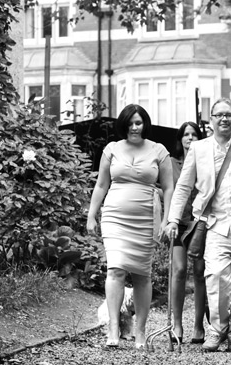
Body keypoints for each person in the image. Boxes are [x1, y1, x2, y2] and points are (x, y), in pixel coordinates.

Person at [162, 98, 231, 354]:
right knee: (217, 279)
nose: (224, 119)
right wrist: (173, 219)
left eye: (229, 115)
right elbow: (183, 188)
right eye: (219, 115)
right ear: (211, 120)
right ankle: (216, 331)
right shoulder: (198, 149)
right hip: (214, 227)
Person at [86, 104, 174, 349]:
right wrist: (92, 215)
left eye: (139, 122)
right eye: (130, 123)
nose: (135, 127)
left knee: (142, 275)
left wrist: (167, 219)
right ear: (123, 125)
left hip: (146, 219)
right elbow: (101, 185)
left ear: (145, 123)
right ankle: (113, 330)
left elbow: (169, 187)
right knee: (115, 270)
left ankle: (141, 332)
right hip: (115, 217)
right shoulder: (111, 149)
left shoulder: (159, 150)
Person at [169, 121, 208, 344]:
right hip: (179, 223)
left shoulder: (205, 163)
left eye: (194, 134)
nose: (190, 138)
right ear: (180, 139)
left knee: (200, 271)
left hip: (199, 223)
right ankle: (177, 324)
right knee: (180, 270)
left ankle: (198, 325)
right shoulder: (172, 163)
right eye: (186, 134)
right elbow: (167, 191)